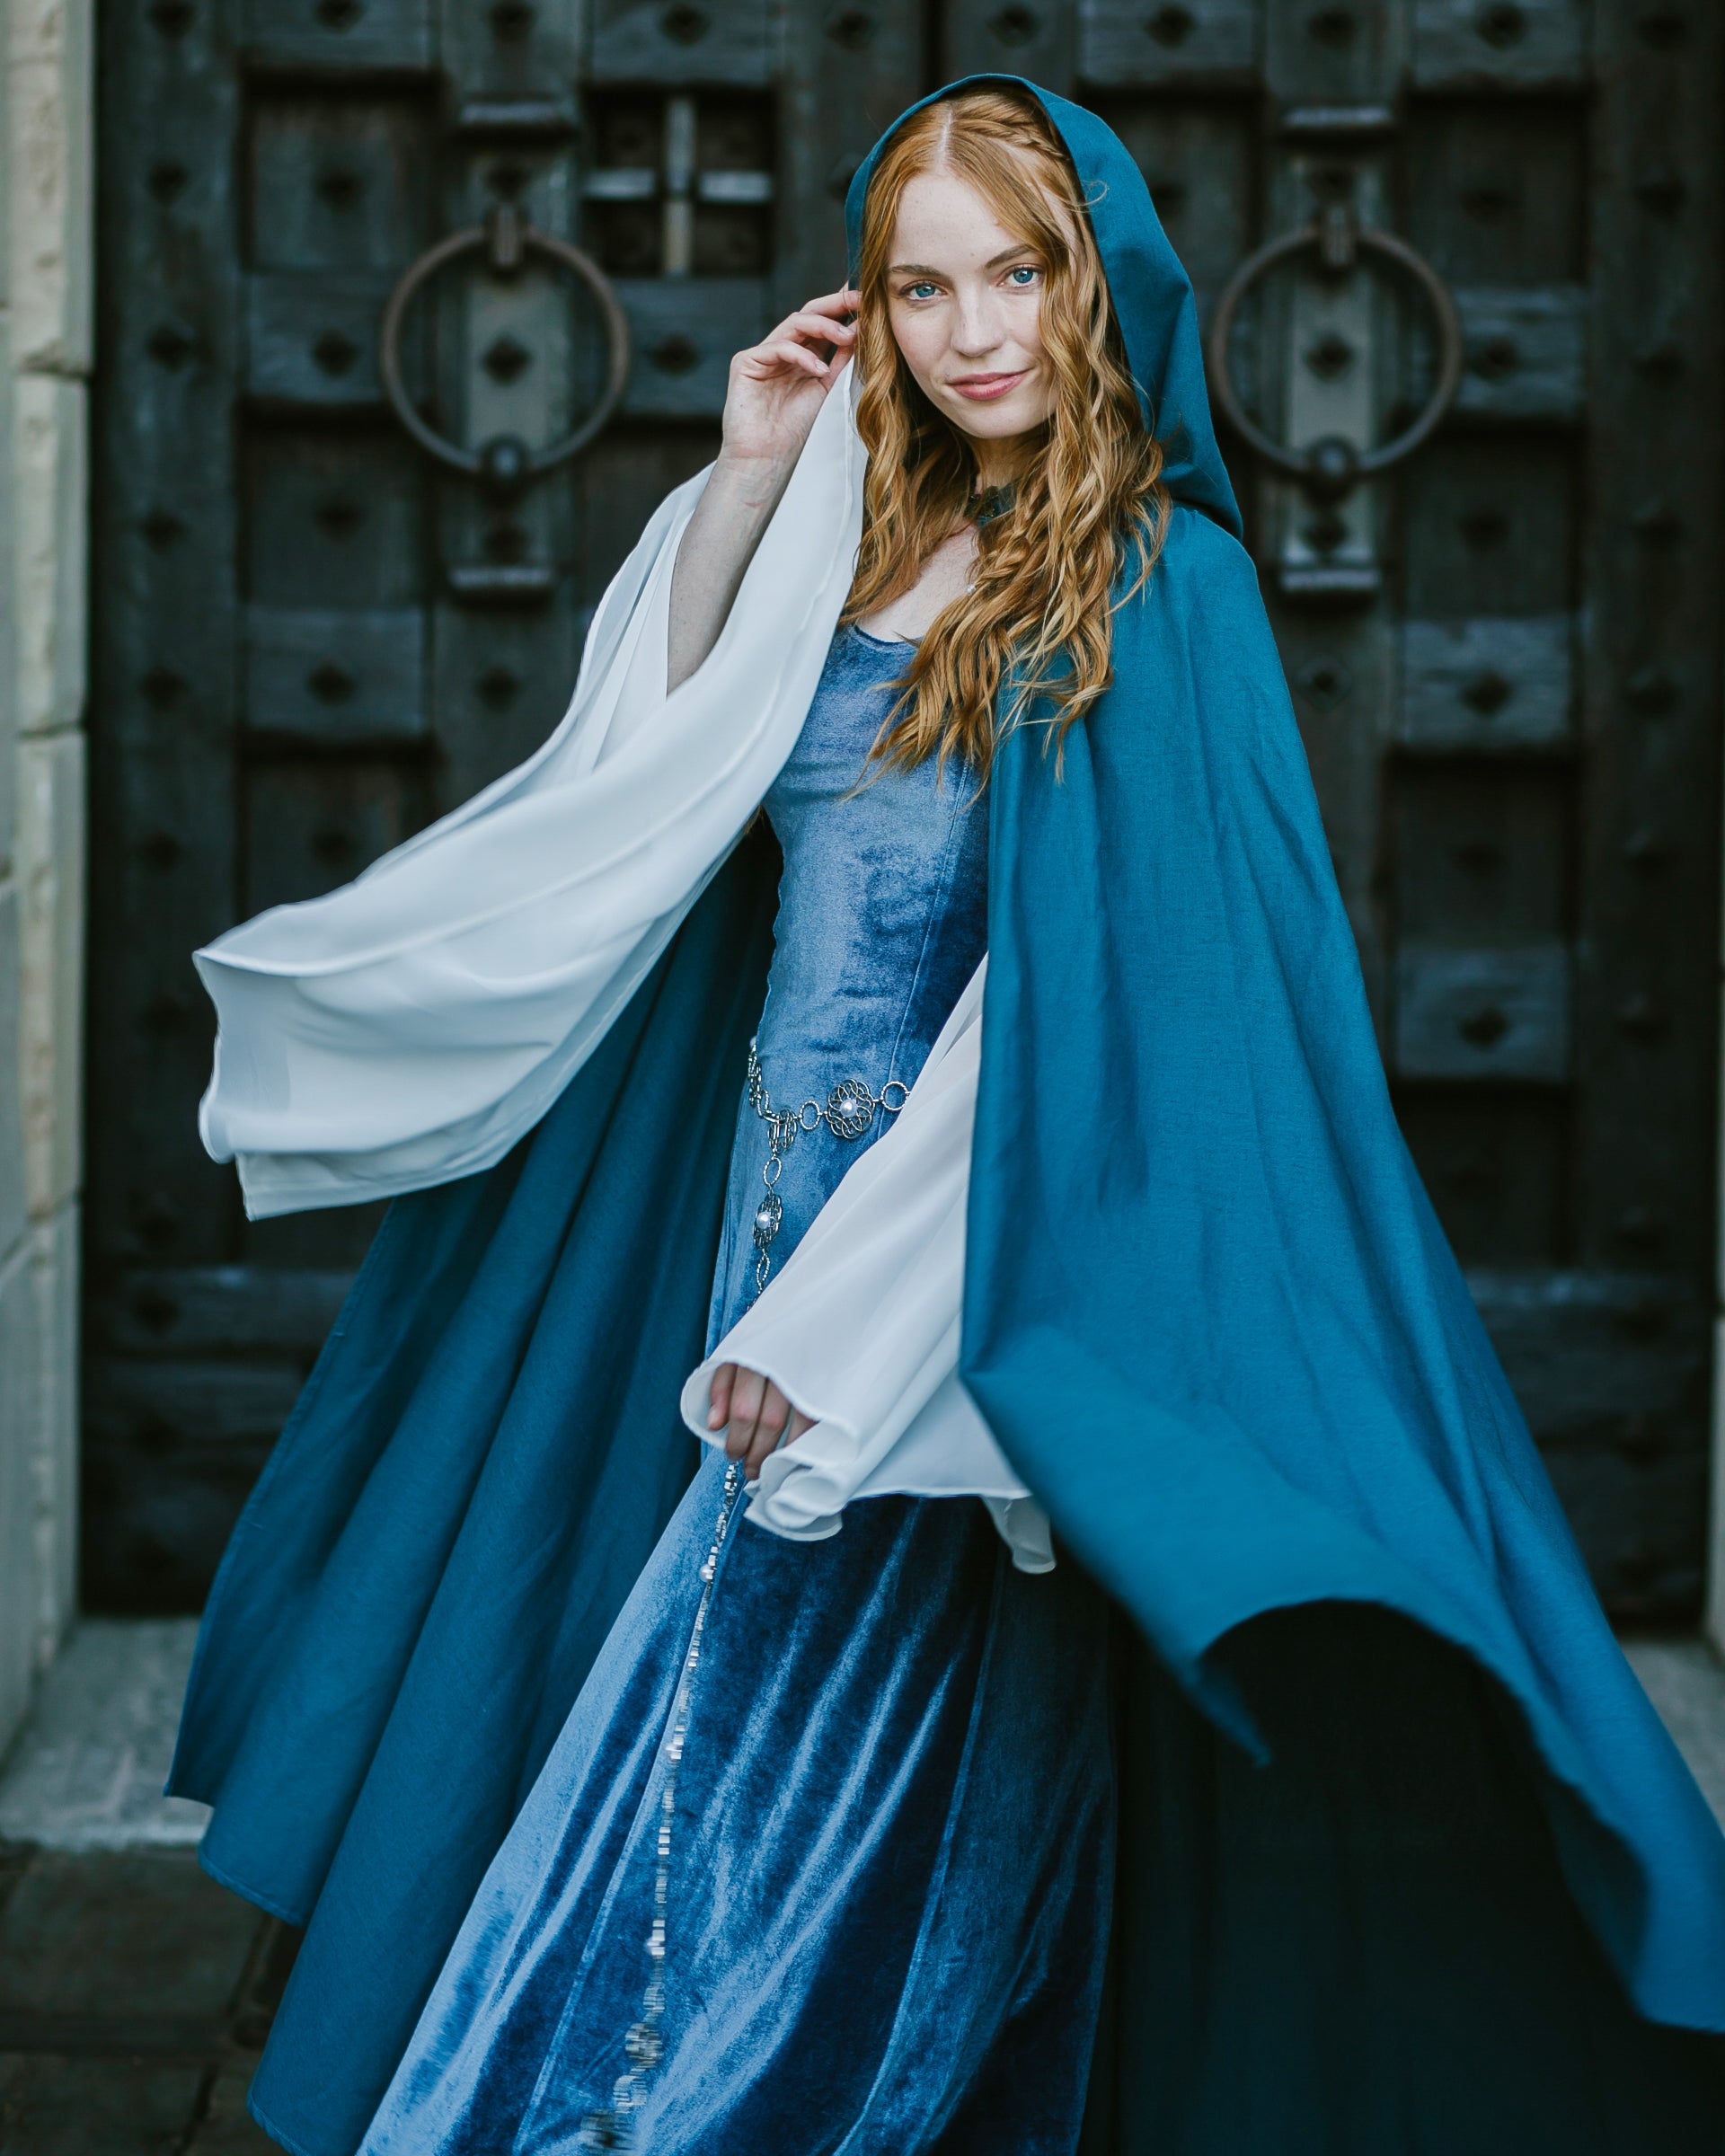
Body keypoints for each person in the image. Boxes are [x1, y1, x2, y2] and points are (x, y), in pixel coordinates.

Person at [170, 80, 1725, 2156]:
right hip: (758, 1218)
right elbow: (655, 796)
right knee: (711, 1721)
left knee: (816, 1753)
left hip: (965, 1285)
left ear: (1100, 282)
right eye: (923, 284)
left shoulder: (1159, 586)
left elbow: (1074, 1023)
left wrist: (834, 1333)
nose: (973, 329)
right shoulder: (857, 529)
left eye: (1021, 271)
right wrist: (735, 485)